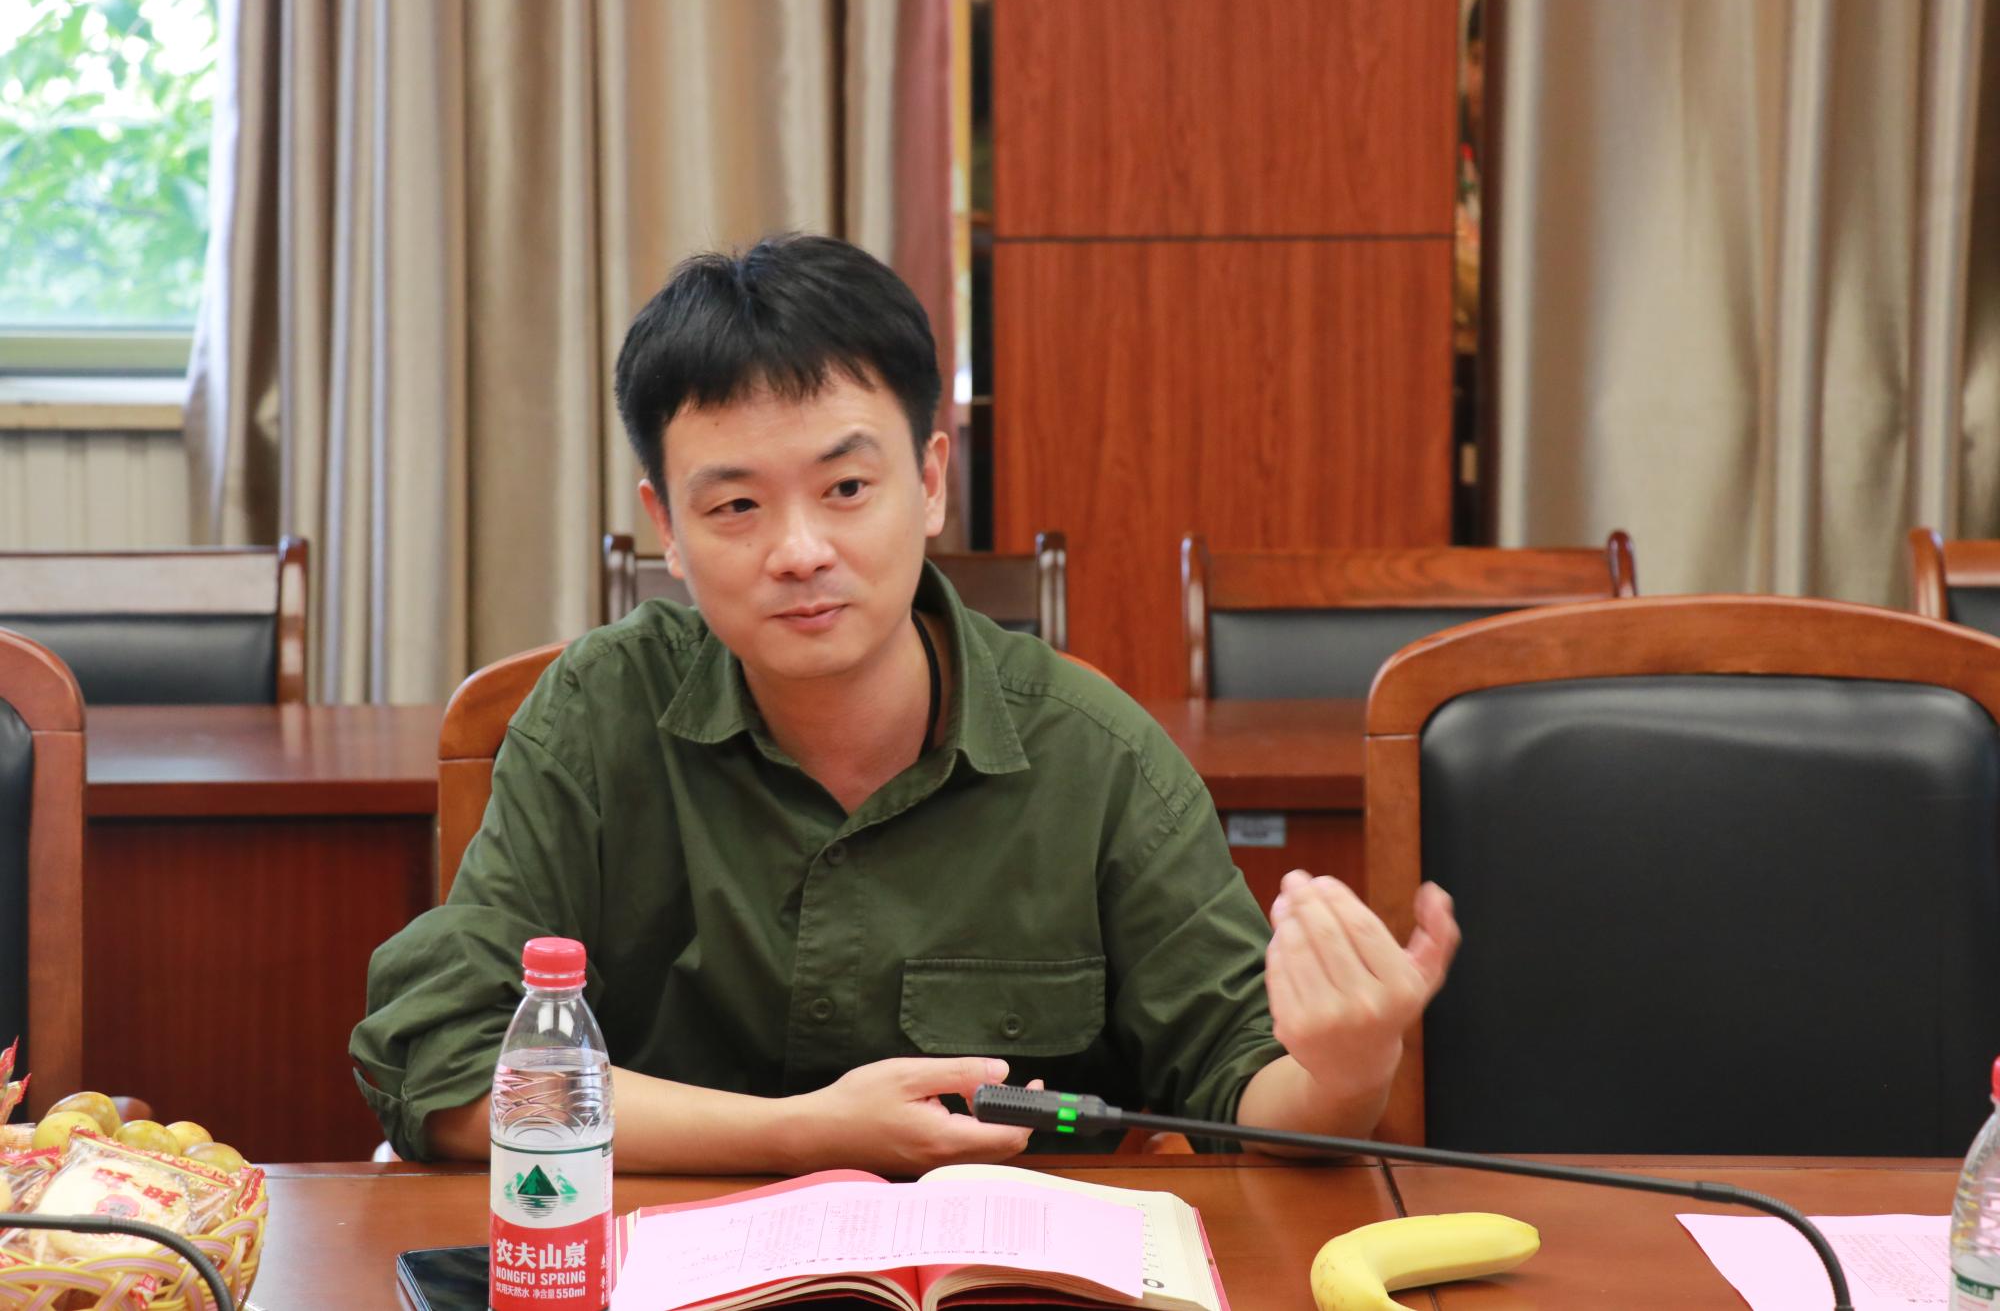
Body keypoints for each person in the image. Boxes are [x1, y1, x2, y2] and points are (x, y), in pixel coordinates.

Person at [350, 234, 1461, 1174]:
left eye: (846, 487)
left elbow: (1248, 1096)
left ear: (929, 482)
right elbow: (445, 1070)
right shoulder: (597, 717)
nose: (798, 550)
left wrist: (1346, 1066)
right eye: (735, 506)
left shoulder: (1093, 753)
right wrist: (803, 1133)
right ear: (667, 531)